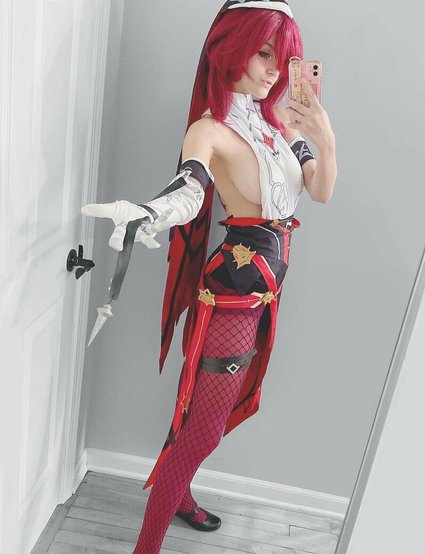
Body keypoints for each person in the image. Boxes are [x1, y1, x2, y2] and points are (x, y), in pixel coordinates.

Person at [82, 1, 336, 551]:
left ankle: (182, 497)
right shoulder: (210, 129)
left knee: (208, 418)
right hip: (234, 295)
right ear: (230, 48)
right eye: (263, 52)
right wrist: (152, 213)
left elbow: (320, 191)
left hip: (264, 289)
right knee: (201, 430)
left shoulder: (276, 125)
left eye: (282, 57)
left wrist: (324, 134)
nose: (273, 69)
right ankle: (146, 546)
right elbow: (190, 187)